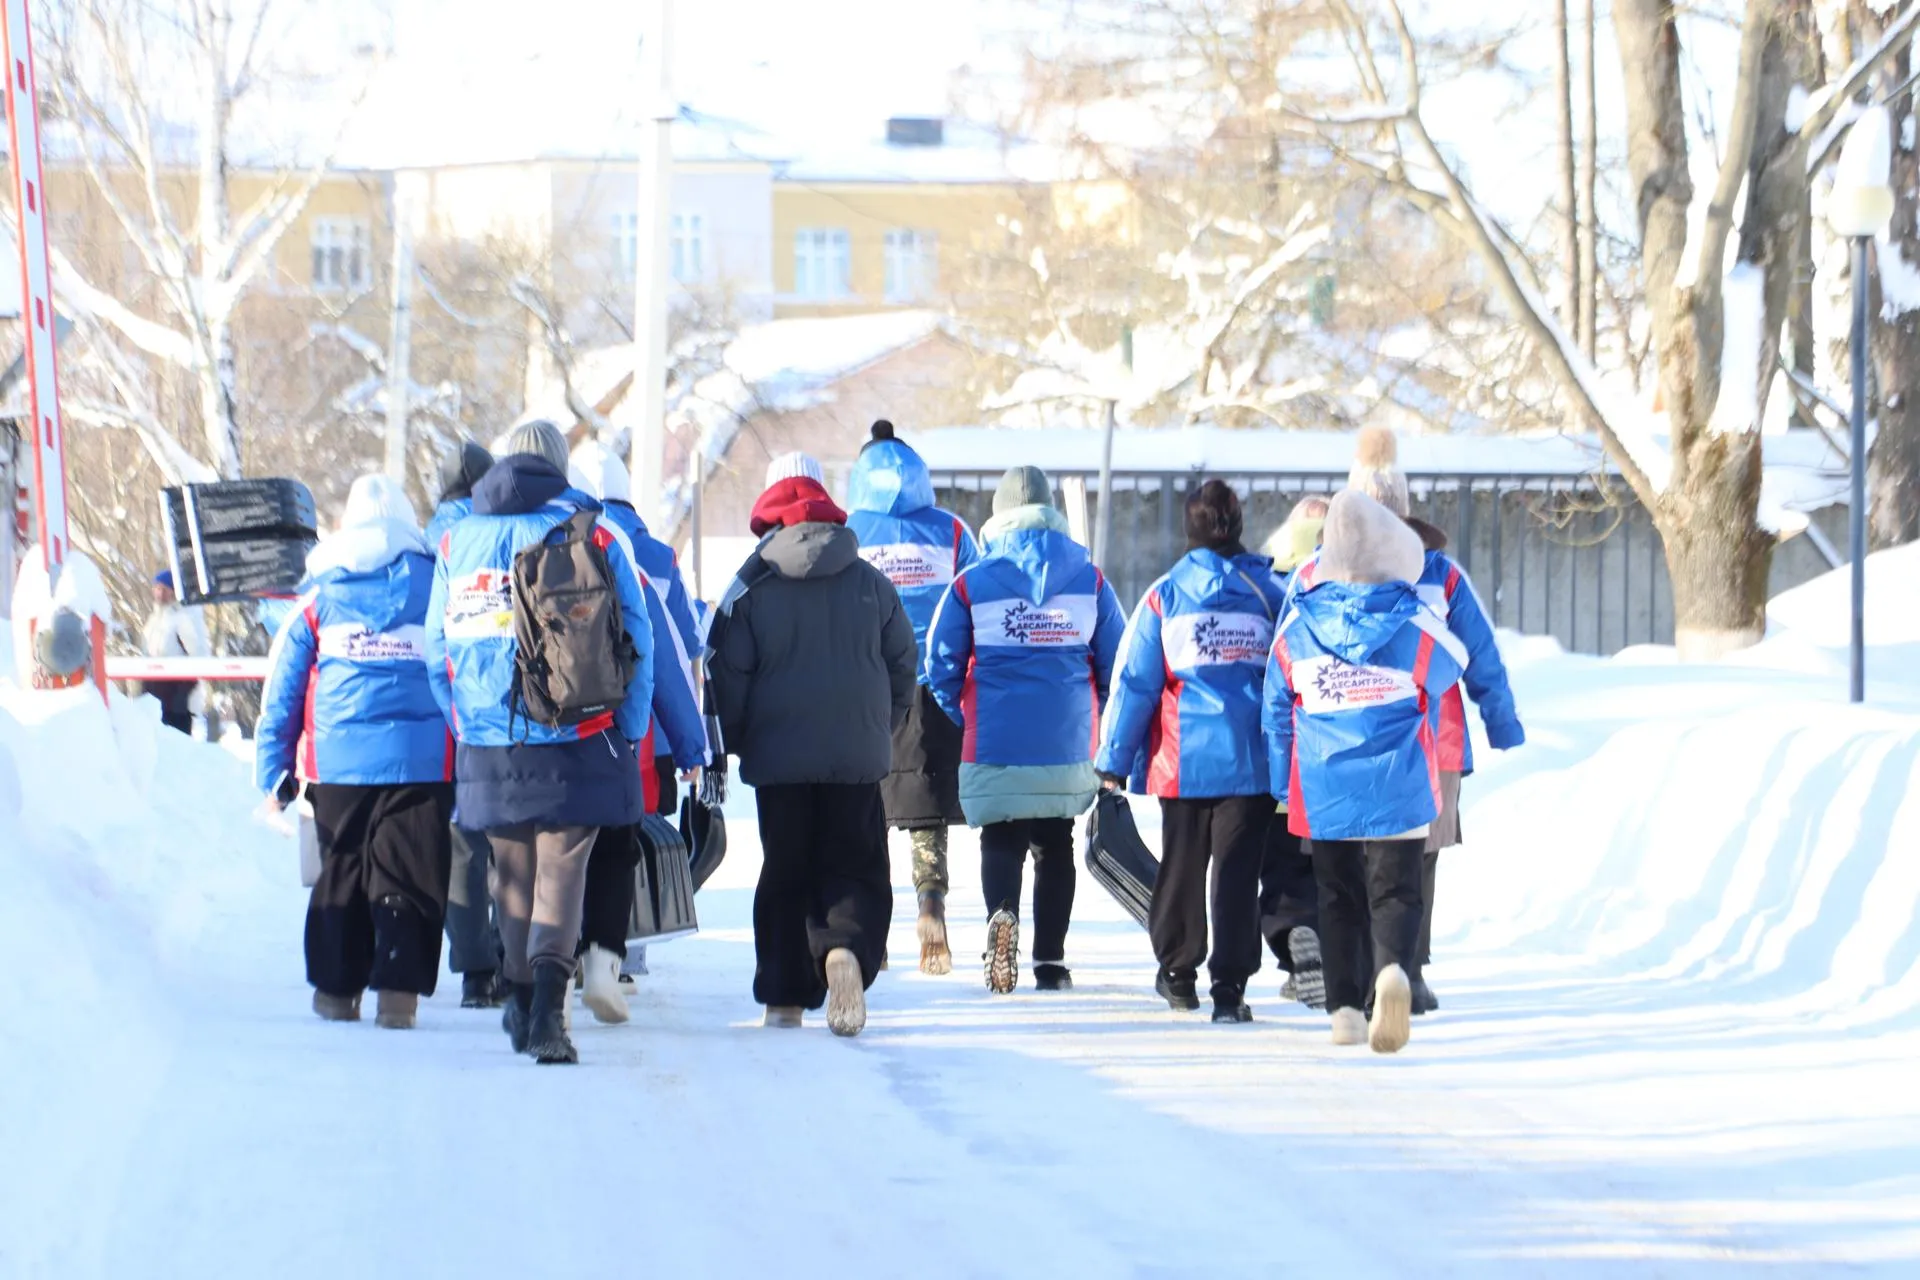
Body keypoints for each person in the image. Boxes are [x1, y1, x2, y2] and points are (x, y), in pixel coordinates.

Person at [426, 420, 655, 1065]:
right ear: (558, 469)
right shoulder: (598, 533)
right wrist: (629, 728)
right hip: (578, 726)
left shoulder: (457, 541)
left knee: (512, 872)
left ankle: (522, 1000)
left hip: (489, 739)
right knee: (563, 868)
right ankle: (551, 1013)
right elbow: (641, 638)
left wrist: (464, 721)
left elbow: (433, 649)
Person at [1308, 428, 1526, 1013]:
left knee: (1355, 856)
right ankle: (1408, 969)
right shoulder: (1441, 575)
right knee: (1416, 858)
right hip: (1435, 737)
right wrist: (1500, 721)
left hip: (1344, 733)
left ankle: (1364, 972)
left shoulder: (1318, 575)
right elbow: (1480, 653)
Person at [707, 473, 916, 1036]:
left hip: (781, 760)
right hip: (856, 754)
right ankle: (844, 948)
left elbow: (729, 675)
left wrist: (738, 739)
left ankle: (783, 997)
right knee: (855, 865)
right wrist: (880, 727)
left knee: (786, 871)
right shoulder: (873, 585)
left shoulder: (751, 589)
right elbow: (904, 667)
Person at [1262, 489, 1466, 1054]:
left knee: (1337, 897)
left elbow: (1275, 709)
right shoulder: (1411, 628)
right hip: (1398, 783)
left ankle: (1345, 1011)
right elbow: (1451, 668)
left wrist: (1284, 783)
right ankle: (1393, 972)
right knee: (1396, 892)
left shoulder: (1297, 628)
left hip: (1324, 787)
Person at [255, 475, 454, 1030]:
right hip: (422, 761)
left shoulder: (320, 592)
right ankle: (398, 996)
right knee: (409, 873)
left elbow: (284, 686)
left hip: (338, 761)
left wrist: (273, 769)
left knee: (342, 868)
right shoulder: (437, 582)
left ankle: (337, 994)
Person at [926, 465, 1126, 995]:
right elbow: (1118, 664)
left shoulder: (971, 583)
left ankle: (1002, 917)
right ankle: (1051, 962)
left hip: (995, 735)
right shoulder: (1091, 579)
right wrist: (1097, 720)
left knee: (1002, 836)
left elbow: (939, 663)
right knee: (1055, 843)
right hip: (1066, 741)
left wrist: (961, 713)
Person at [1096, 480, 1284, 1023]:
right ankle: (1230, 987)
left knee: (1182, 867)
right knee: (1237, 873)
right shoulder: (1269, 594)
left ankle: (1178, 973)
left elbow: (1136, 683)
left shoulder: (1165, 596)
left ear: (1189, 529)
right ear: (1239, 526)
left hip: (1182, 763)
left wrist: (1113, 759)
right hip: (1250, 762)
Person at [567, 440, 709, 1024]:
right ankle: (621, 957)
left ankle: (562, 951)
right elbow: (678, 650)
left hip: (557, 729)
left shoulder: (544, 546)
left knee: (563, 845)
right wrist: (694, 744)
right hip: (636, 732)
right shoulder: (647, 554)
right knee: (624, 841)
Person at [843, 420, 980, 975]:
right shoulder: (950, 532)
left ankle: (866, 932)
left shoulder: (849, 531)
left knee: (865, 809)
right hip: (932, 686)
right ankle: (930, 899)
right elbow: (975, 597)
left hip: (867, 686)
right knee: (924, 809)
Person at [427, 438, 509, 1009]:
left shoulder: (423, 541)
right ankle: (512, 956)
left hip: (437, 721)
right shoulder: (498, 536)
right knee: (509, 843)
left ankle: (474, 971)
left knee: (461, 847)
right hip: (502, 714)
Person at [1258, 494, 1329, 1008]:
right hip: (1338, 744)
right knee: (1328, 860)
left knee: (1281, 861)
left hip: (1283, 747)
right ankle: (1322, 944)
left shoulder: (1272, 586)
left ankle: (1292, 935)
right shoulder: (1339, 583)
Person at [142, 569, 209, 735]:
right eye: (157, 588)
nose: (159, 593)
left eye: (164, 589)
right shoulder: (154, 620)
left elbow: (199, 654)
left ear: (174, 592)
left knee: (176, 744)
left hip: (177, 698)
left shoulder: (184, 617)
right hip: (152, 693)